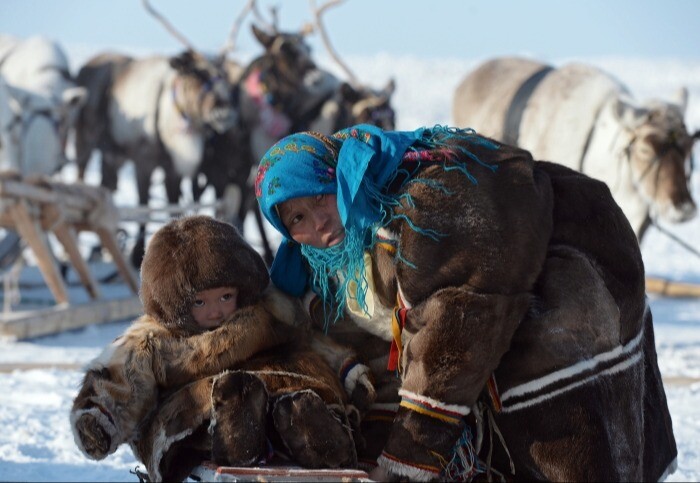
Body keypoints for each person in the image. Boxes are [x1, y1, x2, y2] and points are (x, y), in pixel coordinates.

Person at [255, 124, 678, 481]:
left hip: (574, 283)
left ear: (342, 179)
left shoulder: (422, 207)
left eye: (320, 197)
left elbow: (457, 325)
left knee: (568, 441)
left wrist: (409, 455)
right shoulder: (331, 261)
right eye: (296, 219)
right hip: (515, 294)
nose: (318, 222)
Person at [70, 215, 375, 482]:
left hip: (280, 389)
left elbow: (308, 340)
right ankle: (234, 429)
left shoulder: (269, 312)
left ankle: (311, 427)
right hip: (201, 406)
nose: (215, 311)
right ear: (174, 302)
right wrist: (99, 417)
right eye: (200, 302)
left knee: (302, 389)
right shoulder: (157, 336)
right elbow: (123, 370)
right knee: (222, 400)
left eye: (225, 296)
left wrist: (346, 366)